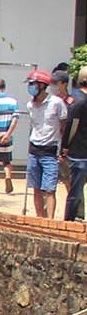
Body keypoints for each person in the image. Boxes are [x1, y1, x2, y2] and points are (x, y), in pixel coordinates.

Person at [25, 70, 67, 218]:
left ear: (42, 85)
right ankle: (40, 219)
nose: (30, 87)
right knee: (36, 188)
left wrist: (63, 148)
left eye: (33, 84)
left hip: (50, 151)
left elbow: (64, 125)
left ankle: (50, 221)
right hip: (34, 150)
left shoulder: (56, 103)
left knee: (49, 189)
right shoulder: (30, 105)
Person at [65, 72, 87, 222]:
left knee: (76, 189)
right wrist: (66, 145)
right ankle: (70, 220)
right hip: (79, 153)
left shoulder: (78, 101)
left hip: (79, 153)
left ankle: (73, 219)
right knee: (76, 191)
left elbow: (71, 126)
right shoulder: (80, 101)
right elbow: (72, 126)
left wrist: (65, 145)